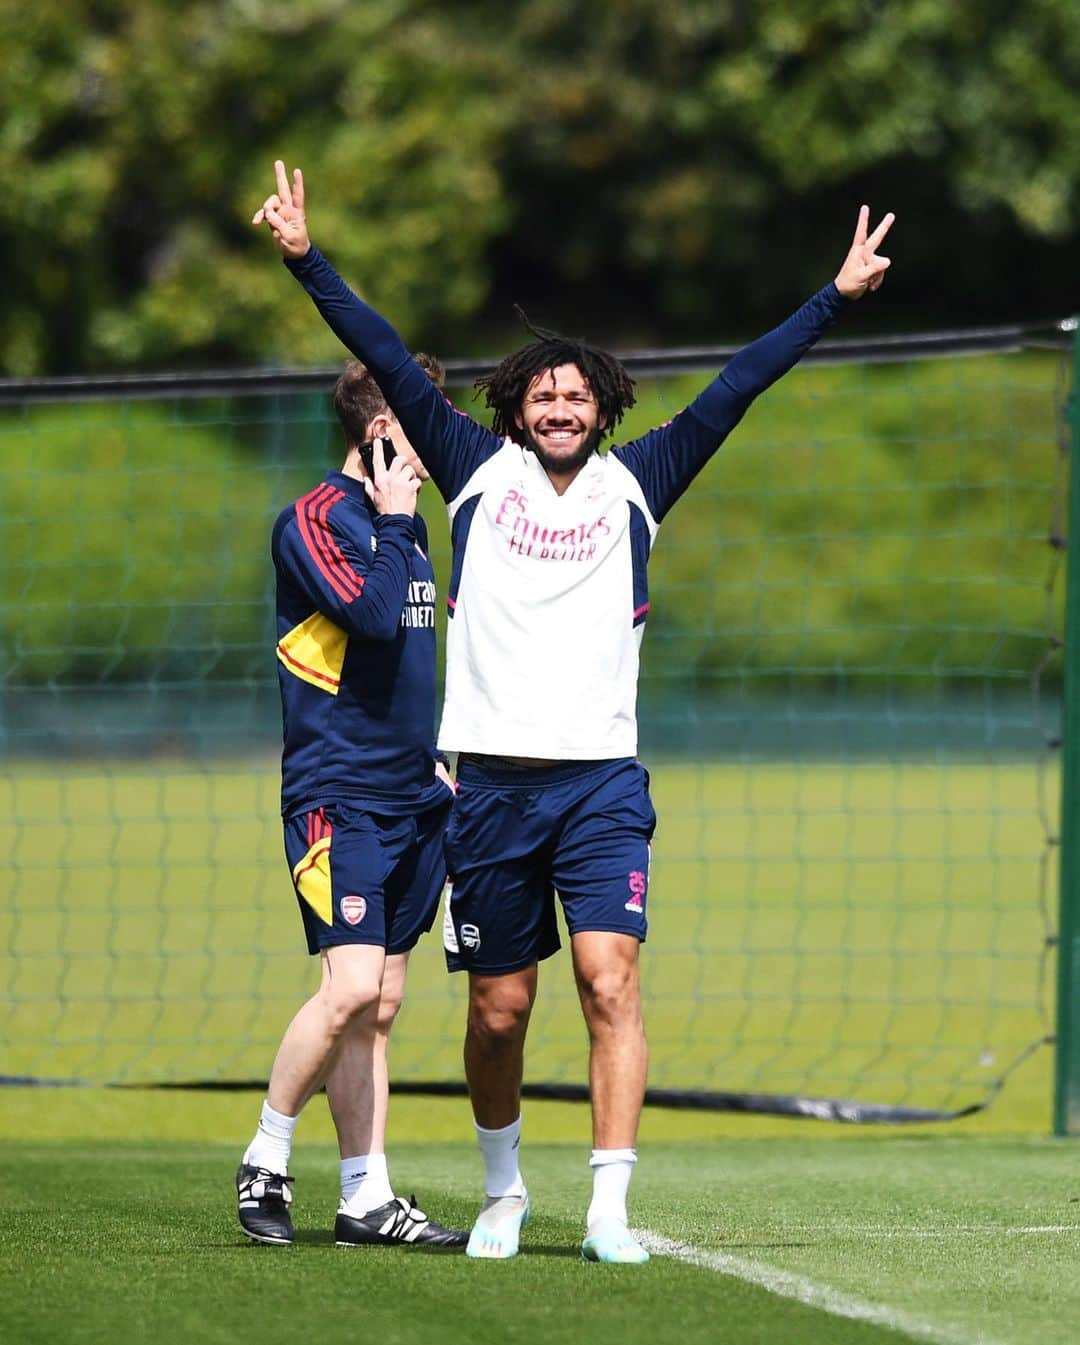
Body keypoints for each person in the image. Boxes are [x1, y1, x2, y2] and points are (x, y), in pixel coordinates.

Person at [253, 161, 894, 1262]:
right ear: (516, 407)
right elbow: (392, 355)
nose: (560, 407)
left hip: (601, 782)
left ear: (603, 407)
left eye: (576, 395)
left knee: (610, 976)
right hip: (490, 789)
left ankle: (608, 1206)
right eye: (542, 394)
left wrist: (832, 297)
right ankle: (504, 1193)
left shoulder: (642, 481)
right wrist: (309, 261)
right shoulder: (468, 471)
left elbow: (741, 383)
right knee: (499, 1010)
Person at [235, 355, 467, 1250]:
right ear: (380, 432)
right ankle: (266, 1156)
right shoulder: (318, 520)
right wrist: (400, 522)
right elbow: (370, 619)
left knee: (381, 1003)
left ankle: (366, 1197)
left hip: (414, 798)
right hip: (340, 798)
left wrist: (439, 765)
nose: (437, 440)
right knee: (350, 987)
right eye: (424, 420)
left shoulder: (406, 527)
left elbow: (411, 662)